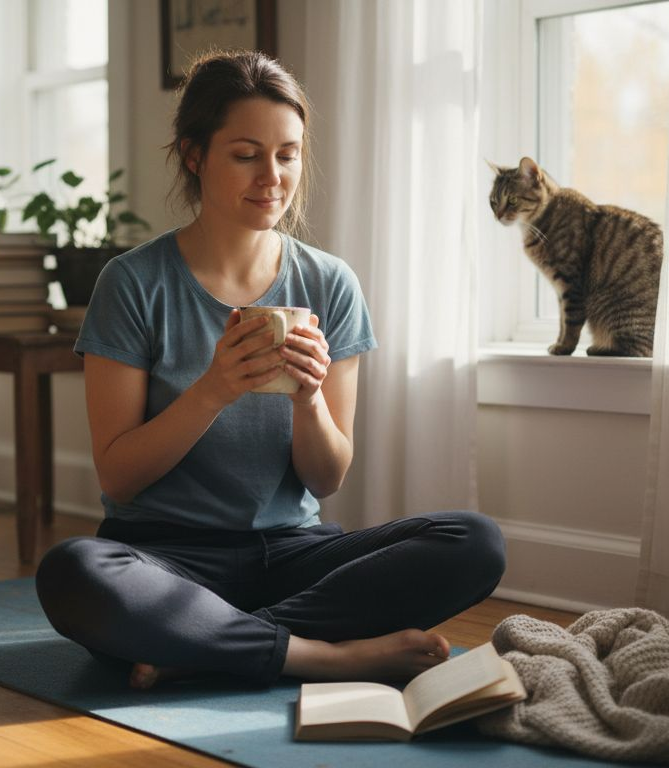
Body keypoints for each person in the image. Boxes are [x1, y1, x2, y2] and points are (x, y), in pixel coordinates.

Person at [35, 50, 505, 690]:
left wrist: (308, 400)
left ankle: (206, 643)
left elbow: (327, 477)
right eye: (246, 155)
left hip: (292, 555)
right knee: (72, 572)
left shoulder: (330, 283)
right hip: (164, 557)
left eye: (288, 154)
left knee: (474, 541)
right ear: (194, 155)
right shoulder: (133, 283)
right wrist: (213, 390)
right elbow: (119, 475)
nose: (272, 177)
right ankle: (323, 656)